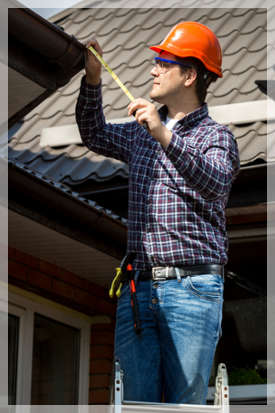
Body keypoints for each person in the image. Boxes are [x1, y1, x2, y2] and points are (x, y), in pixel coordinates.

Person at [76, 21, 240, 405]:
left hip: (193, 288)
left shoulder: (216, 137)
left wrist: (163, 135)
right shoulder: (140, 132)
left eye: (164, 62)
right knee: (135, 403)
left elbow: (214, 182)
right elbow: (93, 132)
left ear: (190, 74)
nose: (153, 68)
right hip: (141, 287)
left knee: (184, 404)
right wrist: (93, 80)